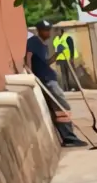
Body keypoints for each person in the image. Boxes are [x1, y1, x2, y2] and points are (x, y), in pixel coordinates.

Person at [26, 20, 87, 148]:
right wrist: (31, 75)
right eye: (45, 30)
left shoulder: (44, 45)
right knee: (63, 107)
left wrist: (56, 55)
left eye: (49, 29)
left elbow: (45, 63)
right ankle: (69, 138)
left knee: (60, 109)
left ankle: (68, 136)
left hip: (50, 77)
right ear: (39, 30)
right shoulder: (33, 42)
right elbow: (28, 57)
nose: (48, 32)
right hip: (46, 80)